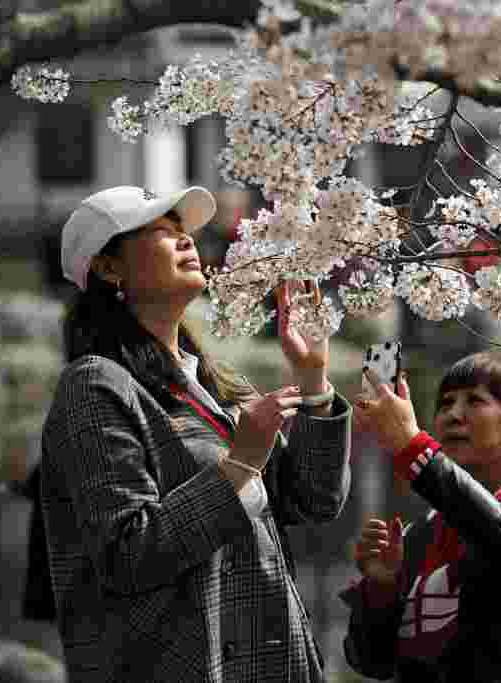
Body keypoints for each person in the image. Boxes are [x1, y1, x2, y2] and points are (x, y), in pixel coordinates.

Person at [40, 186, 353, 682]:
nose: (187, 243)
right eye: (163, 234)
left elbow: (314, 501)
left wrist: (314, 379)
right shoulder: (95, 385)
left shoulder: (221, 382)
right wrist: (239, 466)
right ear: (108, 268)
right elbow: (127, 557)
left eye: (185, 233)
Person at [342, 351, 501, 682]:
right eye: (446, 403)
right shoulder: (422, 532)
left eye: (474, 401)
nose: (453, 415)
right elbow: (371, 661)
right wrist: (382, 585)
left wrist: (412, 446)